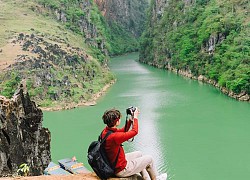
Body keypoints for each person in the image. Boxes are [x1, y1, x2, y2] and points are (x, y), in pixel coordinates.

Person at [101, 108, 167, 180]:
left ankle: (146, 178)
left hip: (114, 164)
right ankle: (156, 179)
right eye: (119, 119)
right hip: (121, 169)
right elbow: (134, 132)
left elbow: (122, 131)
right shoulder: (114, 137)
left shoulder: (106, 131)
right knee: (149, 159)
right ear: (116, 121)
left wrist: (130, 120)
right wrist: (135, 118)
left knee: (139, 154)